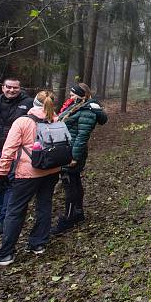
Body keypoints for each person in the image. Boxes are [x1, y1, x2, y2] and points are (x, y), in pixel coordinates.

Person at [0, 91, 61, 265]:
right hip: (51, 171)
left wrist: (2, 172)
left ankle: (6, 253)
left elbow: (8, 149)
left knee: (15, 211)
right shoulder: (57, 120)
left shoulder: (23, 122)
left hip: (28, 173)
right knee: (44, 206)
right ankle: (38, 243)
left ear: (33, 103)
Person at [52, 83, 108, 235]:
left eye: (72, 95)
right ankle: (78, 212)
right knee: (74, 181)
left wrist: (74, 157)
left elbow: (82, 136)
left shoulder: (87, 110)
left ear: (81, 95)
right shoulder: (78, 107)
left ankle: (69, 217)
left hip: (72, 152)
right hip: (68, 149)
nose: (70, 98)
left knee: (70, 183)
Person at [0, 77, 31, 238]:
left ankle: (4, 221)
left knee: (9, 184)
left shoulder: (28, 103)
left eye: (15, 88)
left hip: (15, 151)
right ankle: (0, 214)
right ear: (3, 87)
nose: (12, 90)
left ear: (20, 89)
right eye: (8, 87)